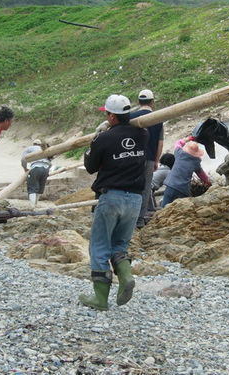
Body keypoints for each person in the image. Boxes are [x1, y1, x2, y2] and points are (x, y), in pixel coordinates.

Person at [79, 94, 148, 311]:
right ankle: (125, 276)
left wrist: (94, 142)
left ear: (111, 116)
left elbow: (91, 166)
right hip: (136, 199)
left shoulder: (104, 138)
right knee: (119, 245)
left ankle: (100, 299)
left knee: (99, 246)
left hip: (111, 197)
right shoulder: (143, 134)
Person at [130, 89, 164, 228]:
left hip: (131, 158)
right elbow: (160, 143)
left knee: (131, 187)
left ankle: (129, 218)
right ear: (152, 102)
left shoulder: (131, 117)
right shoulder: (157, 118)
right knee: (145, 189)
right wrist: (156, 161)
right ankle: (139, 220)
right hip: (148, 158)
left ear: (139, 102)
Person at [162, 139, 211, 207]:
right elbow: (202, 175)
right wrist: (208, 182)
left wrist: (188, 138)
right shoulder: (196, 162)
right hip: (183, 189)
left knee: (164, 206)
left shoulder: (179, 153)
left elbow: (177, 143)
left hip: (171, 185)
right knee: (182, 208)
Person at [21, 139, 51, 207]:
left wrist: (25, 168)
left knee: (32, 188)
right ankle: (36, 204)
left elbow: (23, 159)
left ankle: (32, 206)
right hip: (46, 168)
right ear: (40, 144)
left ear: (33, 144)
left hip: (36, 167)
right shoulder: (45, 149)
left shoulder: (29, 149)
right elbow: (50, 161)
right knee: (40, 188)